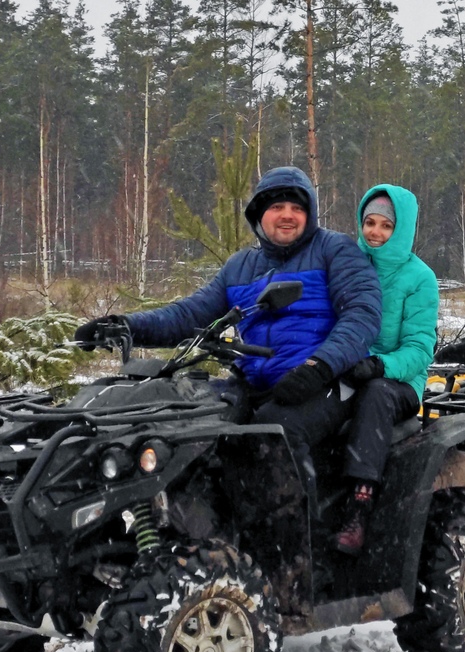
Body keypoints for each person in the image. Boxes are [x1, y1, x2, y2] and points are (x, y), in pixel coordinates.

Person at [76, 166, 380, 505]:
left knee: (273, 434)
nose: (287, 216)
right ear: (258, 214)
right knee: (185, 423)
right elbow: (189, 315)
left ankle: (292, 550)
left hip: (324, 382)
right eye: (277, 207)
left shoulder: (335, 250)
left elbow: (362, 315)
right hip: (254, 383)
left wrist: (319, 365)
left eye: (297, 208)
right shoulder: (240, 266)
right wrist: (125, 326)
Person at [330, 184, 440, 553]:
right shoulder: (347, 265)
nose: (375, 232)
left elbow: (420, 349)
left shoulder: (419, 278)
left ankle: (360, 504)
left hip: (399, 383)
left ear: (402, 228)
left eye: (386, 226)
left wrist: (379, 365)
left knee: (375, 395)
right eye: (369, 223)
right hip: (348, 369)